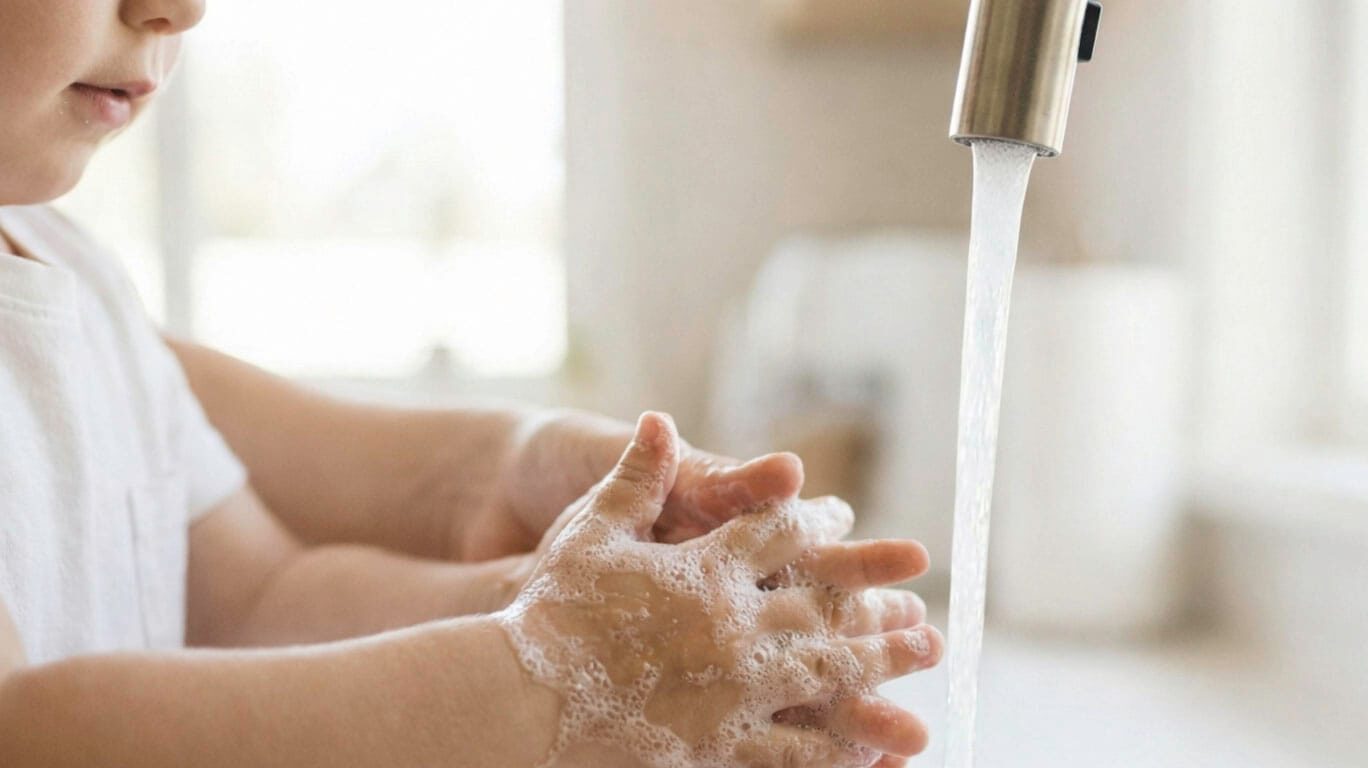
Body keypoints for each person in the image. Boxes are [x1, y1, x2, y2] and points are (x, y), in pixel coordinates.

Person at [0, 1, 942, 766]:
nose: (180, 10)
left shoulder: (77, 279)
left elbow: (258, 599)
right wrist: (535, 684)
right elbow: (21, 732)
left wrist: (588, 612)